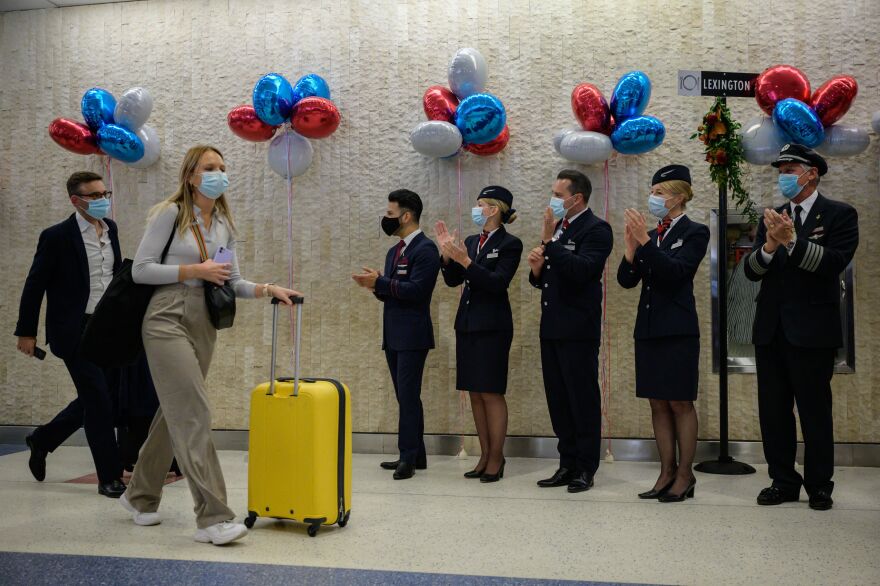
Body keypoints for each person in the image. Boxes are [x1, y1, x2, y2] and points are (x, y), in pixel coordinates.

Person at [122, 145, 300, 545]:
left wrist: (267, 288)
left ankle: (140, 495)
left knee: (175, 412)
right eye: (209, 168)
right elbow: (141, 270)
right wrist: (193, 269)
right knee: (194, 410)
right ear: (190, 176)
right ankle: (213, 517)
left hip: (204, 319)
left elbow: (230, 280)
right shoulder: (171, 214)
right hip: (166, 314)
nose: (219, 173)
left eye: (222, 167)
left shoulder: (222, 222)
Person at [744, 144, 859, 511]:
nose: (784, 176)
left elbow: (833, 263)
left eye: (791, 169)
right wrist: (769, 247)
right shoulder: (773, 215)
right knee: (773, 411)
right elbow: (751, 270)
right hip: (771, 330)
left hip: (812, 331)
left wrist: (791, 241)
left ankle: (819, 484)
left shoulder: (839, 214)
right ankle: (782, 480)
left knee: (814, 410)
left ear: (812, 173)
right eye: (781, 169)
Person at [15, 171, 126, 498]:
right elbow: (34, 285)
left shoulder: (111, 229)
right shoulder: (57, 236)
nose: (102, 199)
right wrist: (26, 331)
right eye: (94, 195)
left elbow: (113, 276)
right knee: (98, 401)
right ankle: (109, 477)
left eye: (104, 192)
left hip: (106, 327)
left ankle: (43, 439)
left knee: (99, 398)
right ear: (75, 200)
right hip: (72, 330)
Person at [617, 165, 709, 502]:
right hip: (649, 328)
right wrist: (631, 248)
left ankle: (685, 473)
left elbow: (676, 272)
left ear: (679, 197)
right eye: (652, 192)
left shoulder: (696, 232)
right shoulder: (652, 235)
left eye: (660, 193)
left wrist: (644, 242)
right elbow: (626, 280)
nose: (653, 199)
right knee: (657, 401)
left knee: (680, 401)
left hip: (678, 329)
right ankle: (665, 470)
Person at [527, 170, 612, 493]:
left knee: (582, 398)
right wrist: (536, 271)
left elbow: (583, 271)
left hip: (578, 328)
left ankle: (585, 467)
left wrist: (548, 242)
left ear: (577, 198)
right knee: (559, 398)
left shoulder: (597, 229)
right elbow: (548, 277)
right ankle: (567, 462)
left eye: (558, 195)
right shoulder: (560, 228)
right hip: (551, 326)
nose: (553, 200)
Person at [435, 186, 523, 483]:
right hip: (468, 323)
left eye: (481, 204)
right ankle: (484, 455)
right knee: (474, 391)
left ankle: (497, 457)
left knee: (491, 391)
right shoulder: (472, 241)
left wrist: (466, 261)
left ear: (494, 209)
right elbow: (452, 281)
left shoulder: (511, 244)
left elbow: (497, 283)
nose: (477, 209)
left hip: (493, 325)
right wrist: (447, 257)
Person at [352, 190, 440, 480]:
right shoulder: (395, 251)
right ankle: (418, 454)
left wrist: (383, 282)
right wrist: (375, 285)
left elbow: (417, 291)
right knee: (405, 396)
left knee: (409, 395)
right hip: (393, 334)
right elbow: (392, 293)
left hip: (413, 335)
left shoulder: (425, 249)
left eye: (390, 214)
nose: (386, 219)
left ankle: (407, 457)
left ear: (406, 216)